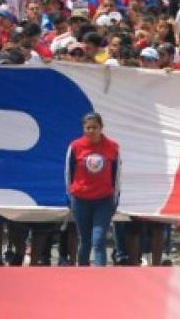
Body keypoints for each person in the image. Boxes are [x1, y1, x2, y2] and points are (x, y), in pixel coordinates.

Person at [65, 112, 120, 266]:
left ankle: (100, 278)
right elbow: (68, 173)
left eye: (94, 127)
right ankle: (83, 275)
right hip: (81, 200)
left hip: (103, 201)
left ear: (101, 127)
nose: (91, 131)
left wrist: (115, 199)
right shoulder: (75, 146)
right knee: (85, 241)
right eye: (87, 128)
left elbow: (117, 176)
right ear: (83, 128)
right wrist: (69, 197)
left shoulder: (113, 147)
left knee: (98, 240)